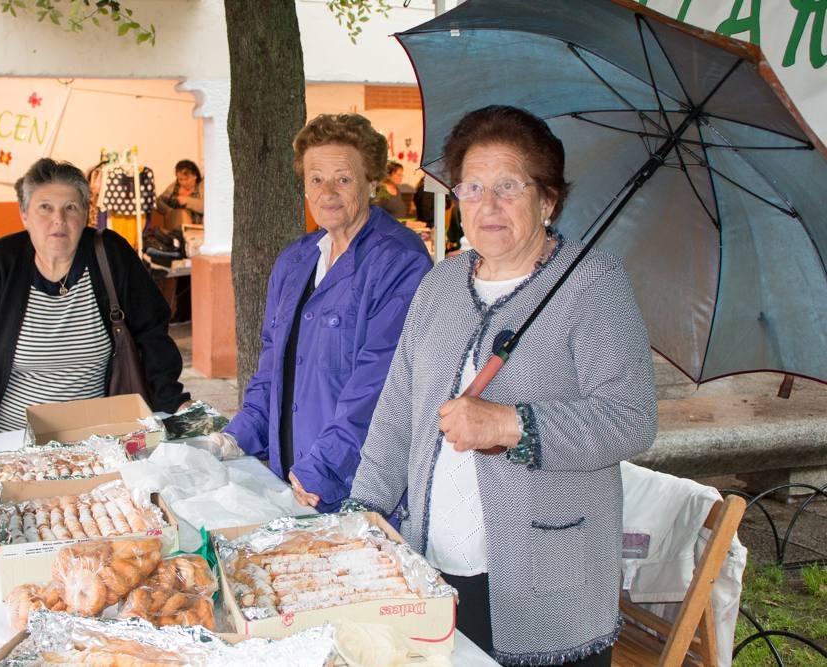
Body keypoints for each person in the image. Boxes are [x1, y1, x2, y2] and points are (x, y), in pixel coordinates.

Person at [345, 106, 658, 666]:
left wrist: (511, 422)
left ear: (548, 199)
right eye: (472, 187)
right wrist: (364, 511)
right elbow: (396, 413)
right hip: (435, 566)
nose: (486, 206)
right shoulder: (440, 284)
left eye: (508, 187)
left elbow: (629, 419)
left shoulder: (591, 284)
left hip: (547, 578)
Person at [220, 113, 433, 514]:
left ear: (372, 183)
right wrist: (239, 436)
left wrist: (323, 468)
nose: (327, 192)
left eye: (344, 179)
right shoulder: (295, 260)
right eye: (316, 179)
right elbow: (271, 364)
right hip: (293, 476)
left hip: (353, 484)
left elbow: (380, 385)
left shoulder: (400, 261)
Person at [0, 158, 189, 453]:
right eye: (45, 207)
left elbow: (152, 334)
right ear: (24, 215)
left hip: (98, 439)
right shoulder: (1, 262)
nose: (59, 219)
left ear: (85, 214)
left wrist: (174, 399)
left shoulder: (112, 255)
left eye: (71, 207)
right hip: (11, 438)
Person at [155, 159, 204, 228]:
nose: (183, 183)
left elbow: (208, 207)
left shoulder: (202, 187)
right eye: (180, 179)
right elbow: (159, 201)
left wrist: (188, 201)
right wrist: (170, 211)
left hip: (197, 229)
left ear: (195, 176)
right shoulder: (174, 187)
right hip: (175, 229)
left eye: (186, 179)